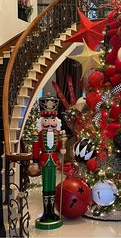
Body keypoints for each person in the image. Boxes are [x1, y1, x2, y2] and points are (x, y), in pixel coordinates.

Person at [32, 95, 66, 230]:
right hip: (45, 160)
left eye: (52, 119)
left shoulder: (58, 133)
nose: (50, 122)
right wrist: (35, 162)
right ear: (42, 120)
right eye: (46, 119)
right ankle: (46, 213)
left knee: (53, 186)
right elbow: (35, 149)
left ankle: (52, 211)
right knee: (46, 187)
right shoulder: (39, 134)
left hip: (54, 161)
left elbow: (59, 147)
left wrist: (62, 149)